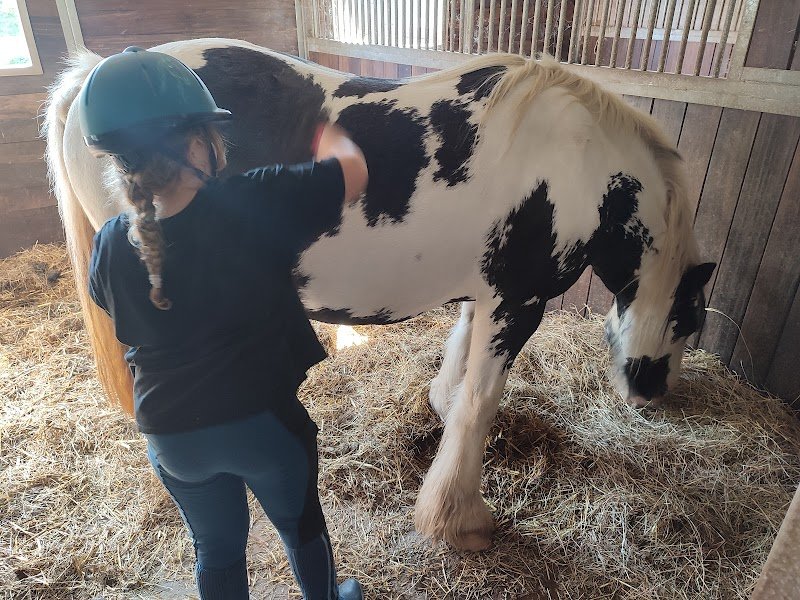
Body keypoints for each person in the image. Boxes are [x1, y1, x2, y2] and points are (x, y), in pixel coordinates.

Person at [78, 46, 368, 600]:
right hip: (262, 426)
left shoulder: (112, 240)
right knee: (301, 528)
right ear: (194, 145)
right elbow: (351, 172)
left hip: (169, 434)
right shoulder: (253, 199)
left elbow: (111, 306)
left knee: (215, 548)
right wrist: (323, 129)